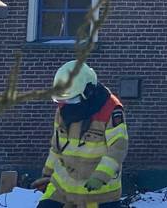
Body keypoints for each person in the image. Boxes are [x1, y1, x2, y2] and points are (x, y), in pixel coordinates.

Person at [30, 61, 128, 208]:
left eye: (71, 99)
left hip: (99, 193)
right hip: (62, 188)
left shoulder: (111, 109)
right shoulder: (64, 109)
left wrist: (100, 176)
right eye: (62, 100)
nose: (66, 104)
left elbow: (118, 148)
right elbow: (56, 147)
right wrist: (47, 175)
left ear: (88, 92)